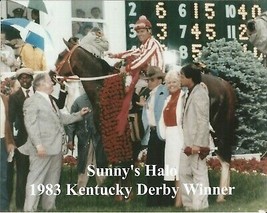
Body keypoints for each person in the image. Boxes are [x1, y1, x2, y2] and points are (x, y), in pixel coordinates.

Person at [18, 73, 89, 211]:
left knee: (53, 180)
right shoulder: (31, 101)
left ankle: (49, 207)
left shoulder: (50, 100)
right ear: (41, 84)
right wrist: (38, 145)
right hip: (41, 149)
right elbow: (30, 125)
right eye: (50, 81)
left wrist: (79, 114)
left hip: (56, 149)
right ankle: (29, 209)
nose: (53, 84)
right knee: (36, 180)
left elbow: (60, 118)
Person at [109, 15, 165, 134]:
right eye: (138, 32)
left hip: (156, 78)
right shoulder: (145, 44)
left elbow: (142, 59)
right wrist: (115, 55)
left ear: (149, 31)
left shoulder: (152, 43)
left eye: (142, 31)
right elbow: (132, 52)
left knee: (132, 86)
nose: (139, 34)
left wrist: (127, 68)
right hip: (148, 76)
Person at [136, 66, 169, 206]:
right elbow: (149, 117)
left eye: (151, 80)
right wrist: (144, 106)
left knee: (160, 167)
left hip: (162, 135)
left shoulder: (165, 91)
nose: (148, 83)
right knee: (153, 168)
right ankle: (154, 200)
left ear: (159, 80)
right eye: (148, 80)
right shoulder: (150, 95)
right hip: (153, 134)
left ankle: (162, 200)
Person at [179, 63, 210, 211]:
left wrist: (198, 144)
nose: (179, 78)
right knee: (184, 172)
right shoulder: (188, 92)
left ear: (190, 78)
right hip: (186, 142)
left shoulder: (200, 93)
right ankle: (190, 204)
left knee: (199, 173)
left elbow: (203, 121)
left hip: (196, 142)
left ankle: (201, 204)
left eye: (182, 76)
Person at [65, 93, 107, 192]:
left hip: (100, 137)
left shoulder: (103, 100)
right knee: (83, 162)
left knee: (101, 161)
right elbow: (71, 121)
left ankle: (103, 187)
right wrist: (70, 139)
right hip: (84, 137)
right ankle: (81, 188)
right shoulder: (79, 101)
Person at [158, 66, 185, 207]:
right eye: (169, 82)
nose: (171, 85)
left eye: (174, 82)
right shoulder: (167, 99)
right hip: (169, 137)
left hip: (180, 136)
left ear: (179, 82)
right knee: (173, 170)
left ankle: (179, 201)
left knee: (180, 169)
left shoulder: (183, 97)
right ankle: (178, 199)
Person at [8, 68, 34, 211]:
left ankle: (35, 202)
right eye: (22, 78)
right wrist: (12, 140)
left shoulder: (38, 94)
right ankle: (20, 205)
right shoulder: (14, 97)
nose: (25, 81)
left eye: (27, 78)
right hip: (22, 141)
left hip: (39, 141)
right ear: (19, 80)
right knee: (22, 173)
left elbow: (59, 105)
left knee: (36, 172)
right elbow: (11, 120)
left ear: (32, 79)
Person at [0, 93, 16, 211]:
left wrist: (10, 142)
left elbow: (8, 123)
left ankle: (3, 207)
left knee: (4, 176)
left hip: (2, 142)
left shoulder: (4, 99)